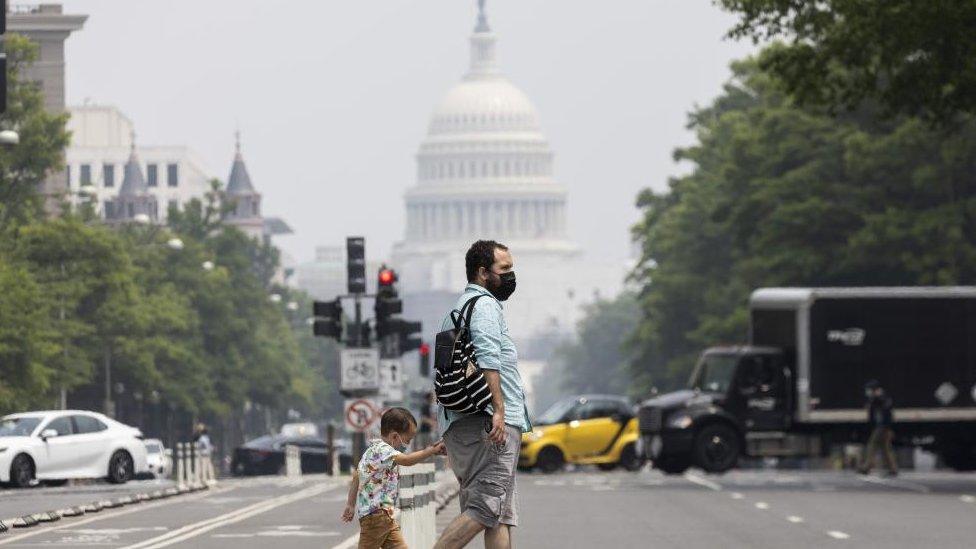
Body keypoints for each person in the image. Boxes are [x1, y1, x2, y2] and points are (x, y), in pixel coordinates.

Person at [434, 240, 531, 549]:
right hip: (489, 423)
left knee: (500, 514)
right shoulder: (486, 306)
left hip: (464, 421)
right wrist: (499, 411)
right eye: (505, 269)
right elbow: (489, 359)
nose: (511, 276)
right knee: (485, 507)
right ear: (482, 272)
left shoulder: (457, 309)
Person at [341, 407, 446, 549]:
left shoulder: (371, 450)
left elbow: (356, 476)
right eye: (407, 440)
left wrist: (350, 504)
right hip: (376, 515)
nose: (407, 445)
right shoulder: (384, 451)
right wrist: (431, 451)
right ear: (395, 437)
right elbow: (407, 460)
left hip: (383, 516)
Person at [858, 380, 898, 477]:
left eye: (870, 390)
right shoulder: (878, 399)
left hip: (883, 427)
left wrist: (875, 398)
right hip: (882, 426)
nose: (868, 392)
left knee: (872, 445)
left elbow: (885, 409)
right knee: (885, 448)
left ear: (875, 390)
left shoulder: (882, 398)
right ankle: (893, 469)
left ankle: (866, 467)